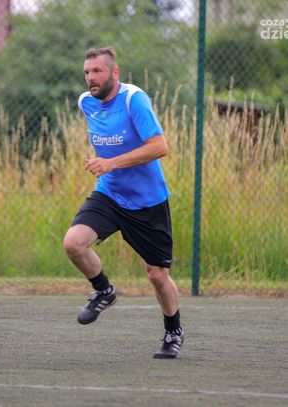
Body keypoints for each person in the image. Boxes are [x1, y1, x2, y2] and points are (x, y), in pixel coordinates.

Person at [63, 46, 184, 359]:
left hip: (147, 201)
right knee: (74, 243)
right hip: (110, 193)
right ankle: (104, 290)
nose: (91, 77)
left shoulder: (134, 99)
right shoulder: (86, 102)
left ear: (114, 73)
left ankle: (173, 331)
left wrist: (111, 162)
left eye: (97, 71)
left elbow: (160, 147)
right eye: (87, 72)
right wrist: (108, 168)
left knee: (156, 275)